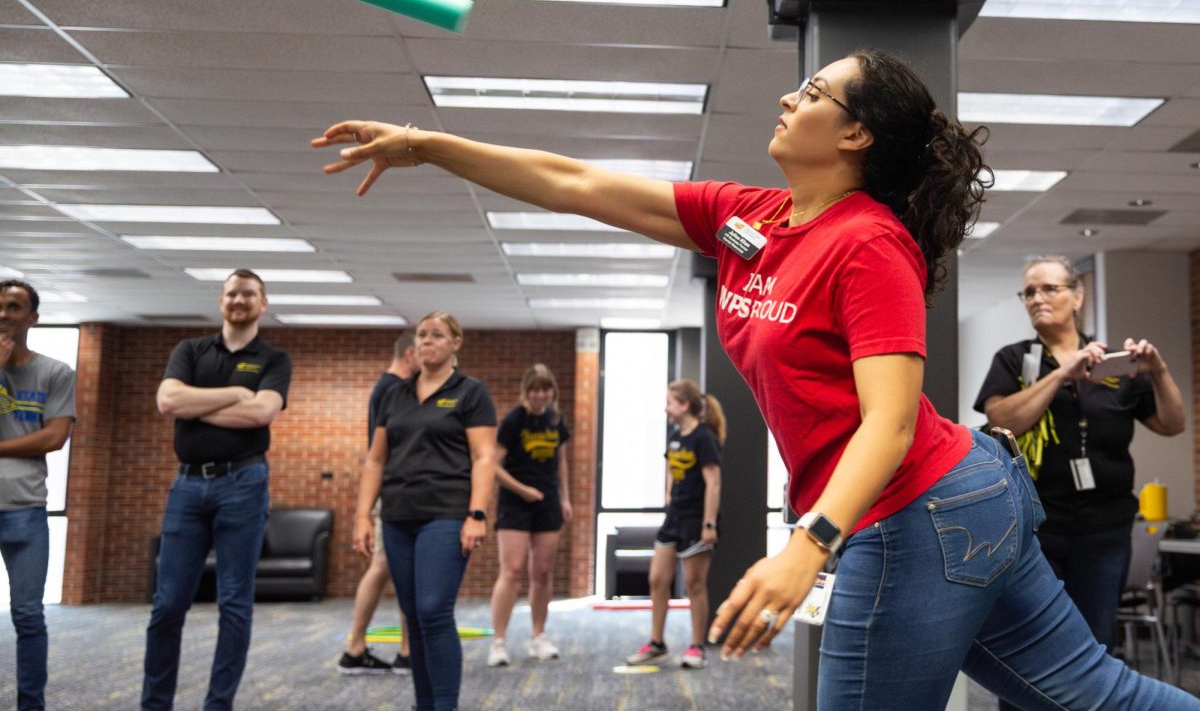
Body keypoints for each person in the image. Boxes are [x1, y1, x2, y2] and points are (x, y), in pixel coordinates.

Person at [313, 47, 1200, 710]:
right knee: (1097, 695)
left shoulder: (869, 244)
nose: (788, 95)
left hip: (917, 509)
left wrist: (806, 547)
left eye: (814, 92)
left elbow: (888, 424)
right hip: (951, 499)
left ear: (855, 134)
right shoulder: (752, 224)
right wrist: (429, 145)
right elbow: (575, 183)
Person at [974, 256, 1185, 704]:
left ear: (1077, 296)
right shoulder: (1015, 359)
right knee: (1026, 642)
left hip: (1104, 531)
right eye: (1029, 292)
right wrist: (1061, 374)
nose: (1037, 299)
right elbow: (1002, 418)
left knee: (1093, 644)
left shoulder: (1113, 365)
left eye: (1048, 289)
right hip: (1035, 530)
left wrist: (1159, 371)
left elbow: (1172, 424)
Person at [143, 269, 291, 711]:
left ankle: (218, 705)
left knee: (234, 603)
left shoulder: (274, 360)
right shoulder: (189, 350)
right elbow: (168, 402)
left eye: (248, 294)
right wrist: (234, 395)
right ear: (221, 300)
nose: (239, 300)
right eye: (231, 293)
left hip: (243, 483)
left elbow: (261, 415)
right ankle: (155, 704)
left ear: (263, 303)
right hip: (187, 485)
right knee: (168, 604)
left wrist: (196, 406)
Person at [351, 311, 496, 711]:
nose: (427, 341)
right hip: (398, 515)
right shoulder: (395, 394)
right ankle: (424, 704)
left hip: (446, 513)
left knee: (433, 609)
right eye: (421, 335)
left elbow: (483, 456)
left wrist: (477, 514)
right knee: (413, 615)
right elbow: (376, 460)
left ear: (455, 343)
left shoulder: (470, 392)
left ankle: (444, 705)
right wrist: (364, 514)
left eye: (436, 335)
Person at [0, 280, 75, 711]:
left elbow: (54, 437)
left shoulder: (55, 372)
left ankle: (32, 705)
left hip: (25, 510)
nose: (5, 314)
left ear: (33, 318)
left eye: (15, 307)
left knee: (28, 616)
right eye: (0, 307)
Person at [626, 380, 724, 670]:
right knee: (657, 579)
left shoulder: (704, 438)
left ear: (684, 405)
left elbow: (714, 482)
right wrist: (668, 494)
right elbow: (670, 467)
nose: (666, 408)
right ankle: (656, 643)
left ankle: (697, 646)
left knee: (694, 584)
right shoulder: (674, 434)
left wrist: (709, 523)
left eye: (670, 402)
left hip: (697, 518)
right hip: (674, 517)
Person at [337, 332, 418, 676]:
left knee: (392, 567)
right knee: (389, 566)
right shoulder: (393, 389)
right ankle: (364, 649)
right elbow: (382, 451)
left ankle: (394, 649)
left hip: (396, 488)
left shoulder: (387, 388)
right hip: (394, 490)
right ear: (412, 354)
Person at [487, 364, 573, 667]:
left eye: (545, 389)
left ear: (552, 392)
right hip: (515, 502)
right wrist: (522, 490)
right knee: (512, 570)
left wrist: (565, 498)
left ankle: (538, 635)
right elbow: (493, 466)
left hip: (547, 502)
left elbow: (561, 460)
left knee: (543, 571)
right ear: (526, 391)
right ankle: (498, 641)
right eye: (534, 389)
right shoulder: (513, 421)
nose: (540, 395)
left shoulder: (554, 419)